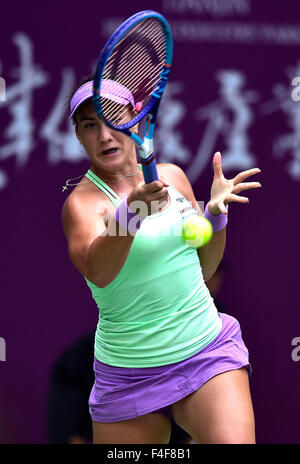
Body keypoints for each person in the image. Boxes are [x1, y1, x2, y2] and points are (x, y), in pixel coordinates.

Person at [61, 75, 261, 444]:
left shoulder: (172, 177)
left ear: (136, 120)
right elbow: (100, 271)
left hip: (205, 349)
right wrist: (134, 211)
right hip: (127, 374)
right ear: (78, 136)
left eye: (113, 119)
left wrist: (216, 218)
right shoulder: (81, 205)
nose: (105, 135)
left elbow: (203, 271)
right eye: (90, 125)